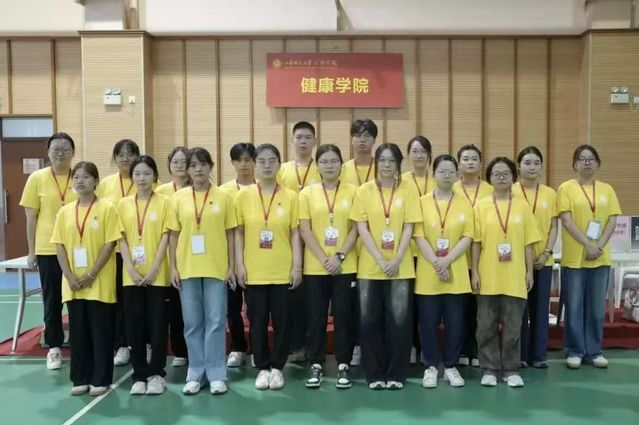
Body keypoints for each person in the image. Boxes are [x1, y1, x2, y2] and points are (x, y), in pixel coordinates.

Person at [350, 143, 421, 390]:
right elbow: (361, 227)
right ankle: (374, 374)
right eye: (382, 160)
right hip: (370, 268)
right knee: (370, 322)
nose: (387, 165)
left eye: (392, 161)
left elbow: (409, 227)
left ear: (399, 164)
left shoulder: (408, 189)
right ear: (376, 163)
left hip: (401, 267)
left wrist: (397, 259)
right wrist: (381, 260)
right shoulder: (364, 191)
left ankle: (396, 374)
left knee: (399, 323)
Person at [168, 147, 237, 395]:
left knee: (216, 321)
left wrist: (232, 265)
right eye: (193, 165)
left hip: (216, 268)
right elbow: (173, 235)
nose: (198, 169)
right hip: (187, 268)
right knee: (192, 323)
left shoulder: (224, 196)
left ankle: (216, 373)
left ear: (211, 167)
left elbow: (231, 233)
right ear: (187, 169)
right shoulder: (178, 198)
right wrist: (173, 267)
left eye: (203, 164)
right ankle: (196, 373)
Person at [235, 144, 302, 391]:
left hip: (282, 271)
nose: (266, 165)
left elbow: (295, 233)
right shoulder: (243, 196)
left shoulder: (291, 196)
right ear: (254, 164)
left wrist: (297, 267)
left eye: (272, 160)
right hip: (254, 271)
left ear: (279, 165)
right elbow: (239, 233)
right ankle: (262, 367)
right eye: (261, 161)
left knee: (283, 322)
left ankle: (278, 367)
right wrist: (239, 265)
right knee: (257, 322)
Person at [51, 161, 120, 396]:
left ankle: (101, 379)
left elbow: (110, 243)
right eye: (76, 177)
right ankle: (80, 378)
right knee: (78, 334)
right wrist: (69, 276)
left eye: (86, 177)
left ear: (96, 181)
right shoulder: (64, 212)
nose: (80, 181)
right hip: (73, 284)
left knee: (100, 333)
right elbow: (59, 245)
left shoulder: (107, 208)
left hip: (99, 282)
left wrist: (91, 274)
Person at [471, 157, 541, 388]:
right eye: (496, 174)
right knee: (485, 326)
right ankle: (489, 368)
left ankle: (511, 369)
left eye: (506, 174)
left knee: (513, 326)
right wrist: (475, 272)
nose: (501, 177)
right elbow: (476, 243)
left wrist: (529, 271)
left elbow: (528, 243)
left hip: (514, 275)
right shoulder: (481, 206)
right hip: (488, 274)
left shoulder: (522, 206)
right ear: (489, 178)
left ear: (513, 177)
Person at [299, 144, 358, 389]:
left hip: (346, 265)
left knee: (344, 316)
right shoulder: (307, 194)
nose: (329, 165)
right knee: (316, 317)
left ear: (341, 165)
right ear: (318, 166)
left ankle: (343, 363)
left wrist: (339, 256)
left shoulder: (354, 192)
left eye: (334, 161)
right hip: (316, 267)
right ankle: (316, 363)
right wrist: (325, 258)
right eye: (324, 161)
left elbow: (356, 228)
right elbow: (305, 229)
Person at [558, 145, 620, 369]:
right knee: (574, 306)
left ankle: (594, 351)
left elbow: (612, 220)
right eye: (582, 159)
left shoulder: (607, 189)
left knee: (595, 308)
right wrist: (587, 244)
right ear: (574, 164)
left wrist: (598, 246)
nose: (587, 162)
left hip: (600, 258)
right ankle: (574, 351)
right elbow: (566, 221)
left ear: (598, 163)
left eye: (591, 159)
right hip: (575, 258)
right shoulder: (566, 188)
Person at [414, 154, 473, 388]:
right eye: (442, 171)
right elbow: (418, 236)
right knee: (427, 323)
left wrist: (446, 260)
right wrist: (437, 263)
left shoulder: (465, 203)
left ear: (457, 175)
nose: (447, 175)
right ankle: (430, 366)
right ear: (433, 174)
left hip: (456, 273)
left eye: (451, 171)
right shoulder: (421, 202)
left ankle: (451, 366)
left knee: (455, 323)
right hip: (428, 273)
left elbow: (467, 236)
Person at [20, 132, 77, 370]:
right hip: (48, 249)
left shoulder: (79, 176)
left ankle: (80, 344)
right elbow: (31, 217)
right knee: (52, 299)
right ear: (48, 152)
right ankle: (54, 347)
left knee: (77, 299)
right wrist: (32, 251)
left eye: (65, 149)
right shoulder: (37, 178)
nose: (60, 153)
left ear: (73, 152)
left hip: (77, 249)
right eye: (56, 149)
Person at [118, 156, 171, 395]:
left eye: (147, 173)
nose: (142, 178)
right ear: (132, 177)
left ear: (155, 176)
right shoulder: (122, 205)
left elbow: (166, 237)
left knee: (158, 326)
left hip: (157, 276)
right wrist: (130, 268)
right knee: (134, 326)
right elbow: (121, 238)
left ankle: (157, 374)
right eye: (137, 174)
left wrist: (154, 268)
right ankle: (139, 374)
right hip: (131, 277)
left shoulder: (165, 203)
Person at [277, 122, 321, 363]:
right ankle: (295, 346)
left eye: (307, 137)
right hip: (288, 240)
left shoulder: (321, 168)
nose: (303, 141)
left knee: (312, 298)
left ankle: (312, 346)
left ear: (314, 141)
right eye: (299, 137)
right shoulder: (282, 170)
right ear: (292, 140)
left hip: (316, 241)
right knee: (292, 296)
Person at [513, 146, 558, 369]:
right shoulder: (511, 191)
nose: (532, 167)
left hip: (543, 260)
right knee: (519, 311)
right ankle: (520, 355)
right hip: (517, 262)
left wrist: (547, 252)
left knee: (540, 310)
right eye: (527, 163)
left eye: (536, 163)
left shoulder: (550, 193)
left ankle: (539, 355)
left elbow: (553, 226)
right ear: (518, 166)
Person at [97, 139, 141, 367]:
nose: (125, 158)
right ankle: (121, 345)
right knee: (118, 302)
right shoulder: (105, 185)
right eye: (120, 154)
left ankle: (142, 343)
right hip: (112, 252)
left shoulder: (146, 180)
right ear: (114, 158)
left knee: (138, 302)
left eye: (130, 153)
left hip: (140, 254)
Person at [341, 118, 379, 366]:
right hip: (347, 246)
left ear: (374, 140)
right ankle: (354, 346)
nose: (362, 140)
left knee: (373, 304)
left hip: (377, 248)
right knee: (350, 304)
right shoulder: (342, 168)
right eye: (357, 135)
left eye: (367, 135)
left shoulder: (382, 167)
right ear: (351, 139)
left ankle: (373, 346)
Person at [453, 144, 493, 368]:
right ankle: (461, 349)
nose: (470, 162)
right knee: (459, 309)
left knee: (480, 310)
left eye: (474, 159)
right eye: (465, 158)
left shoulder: (490, 190)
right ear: (458, 163)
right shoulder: (451, 189)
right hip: (457, 258)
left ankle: (477, 350)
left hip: (484, 258)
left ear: (480, 163)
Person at [219, 143, 256, 368]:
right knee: (232, 308)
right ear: (232, 163)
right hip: (229, 259)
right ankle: (238, 347)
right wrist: (230, 264)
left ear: (254, 162)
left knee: (255, 309)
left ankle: (257, 348)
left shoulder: (263, 189)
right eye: (239, 160)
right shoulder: (223, 192)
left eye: (248, 159)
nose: (244, 164)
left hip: (256, 259)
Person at [155, 147, 189, 368]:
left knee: (192, 310)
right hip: (168, 259)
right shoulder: (161, 191)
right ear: (169, 165)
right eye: (175, 161)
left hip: (193, 258)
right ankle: (180, 351)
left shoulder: (199, 189)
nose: (179, 165)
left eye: (184, 161)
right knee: (175, 309)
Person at [403, 135, 436, 364]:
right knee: (407, 305)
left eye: (423, 151)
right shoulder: (401, 181)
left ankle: (426, 348)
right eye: (414, 151)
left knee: (426, 306)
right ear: (408, 155)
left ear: (430, 155)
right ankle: (411, 346)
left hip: (429, 253)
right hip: (406, 252)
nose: (419, 155)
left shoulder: (438, 180)